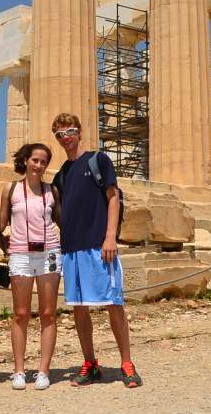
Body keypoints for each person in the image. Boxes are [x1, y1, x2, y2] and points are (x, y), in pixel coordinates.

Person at [50, 113, 142, 388]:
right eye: (60, 135)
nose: (66, 138)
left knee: (114, 303)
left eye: (70, 131)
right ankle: (90, 363)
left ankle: (127, 363)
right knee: (79, 308)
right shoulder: (60, 175)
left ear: (80, 132)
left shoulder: (98, 160)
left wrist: (110, 237)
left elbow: (112, 198)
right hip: (71, 249)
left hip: (99, 245)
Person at [0, 142, 61, 391]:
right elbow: (1, 222)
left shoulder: (51, 190)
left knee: (48, 313)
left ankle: (43, 371)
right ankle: (19, 370)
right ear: (26, 161)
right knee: (21, 313)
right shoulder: (11, 189)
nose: (39, 165)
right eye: (35, 160)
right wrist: (7, 248)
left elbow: (61, 220)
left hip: (49, 253)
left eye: (43, 162)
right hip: (21, 254)